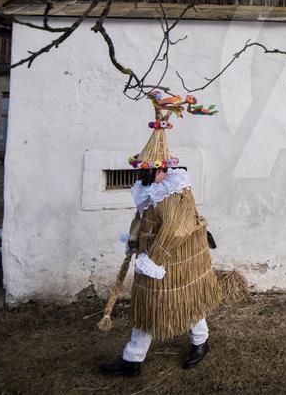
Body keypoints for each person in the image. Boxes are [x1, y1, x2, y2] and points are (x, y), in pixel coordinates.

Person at [99, 93, 222, 377]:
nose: (144, 177)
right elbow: (142, 217)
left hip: (175, 260)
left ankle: (199, 343)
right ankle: (133, 360)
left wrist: (153, 259)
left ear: (163, 168)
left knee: (185, 300)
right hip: (152, 258)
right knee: (148, 306)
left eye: (149, 170)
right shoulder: (150, 190)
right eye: (142, 170)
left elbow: (175, 229)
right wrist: (133, 239)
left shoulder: (175, 192)